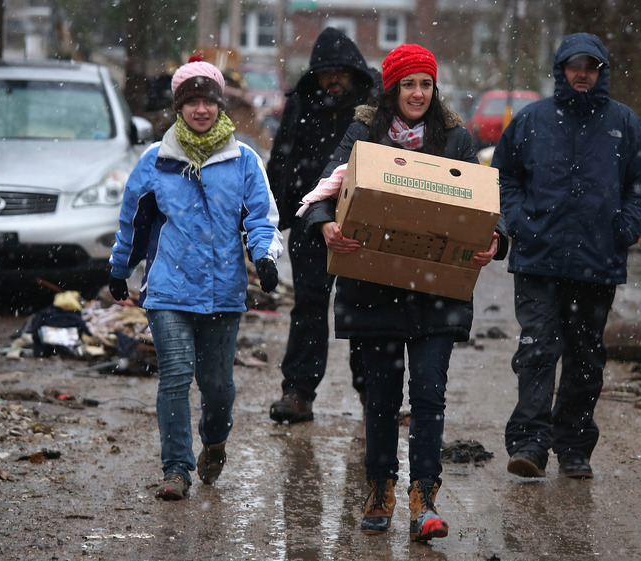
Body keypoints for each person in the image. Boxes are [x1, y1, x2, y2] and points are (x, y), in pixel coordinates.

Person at [301, 43, 508, 541]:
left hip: (437, 295)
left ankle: (424, 496)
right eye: (408, 84)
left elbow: (485, 207)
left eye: (425, 84)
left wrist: (496, 242)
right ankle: (380, 488)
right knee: (380, 399)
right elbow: (325, 188)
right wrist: (325, 225)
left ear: (435, 90)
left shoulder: (456, 138)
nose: (417, 93)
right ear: (391, 89)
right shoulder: (363, 134)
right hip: (374, 290)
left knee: (430, 395)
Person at [108, 56, 284, 500]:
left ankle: (215, 440)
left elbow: (261, 218)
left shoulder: (243, 160)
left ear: (220, 105)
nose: (200, 109)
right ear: (179, 106)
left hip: (224, 292)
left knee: (218, 387)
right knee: (175, 375)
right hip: (167, 288)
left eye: (208, 100)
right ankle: (176, 469)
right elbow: (133, 222)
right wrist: (118, 269)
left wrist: (264, 257)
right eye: (192, 101)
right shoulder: (156, 160)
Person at [492, 32, 641, 480]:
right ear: (562, 70)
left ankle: (573, 447)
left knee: (585, 358)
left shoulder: (625, 125)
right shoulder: (531, 122)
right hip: (537, 260)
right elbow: (504, 175)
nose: (582, 73)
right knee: (536, 351)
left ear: (600, 71)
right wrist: (518, 221)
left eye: (591, 66)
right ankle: (529, 443)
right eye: (574, 65)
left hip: (596, 263)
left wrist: (622, 229)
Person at [266, 27, 377, 424]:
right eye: (326, 72)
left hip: (363, 225)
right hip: (310, 222)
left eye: (339, 72)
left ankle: (372, 395)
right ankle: (297, 392)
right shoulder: (302, 104)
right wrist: (271, 219)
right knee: (309, 307)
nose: (333, 80)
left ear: (353, 72)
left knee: (362, 309)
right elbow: (282, 158)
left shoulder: (374, 105)